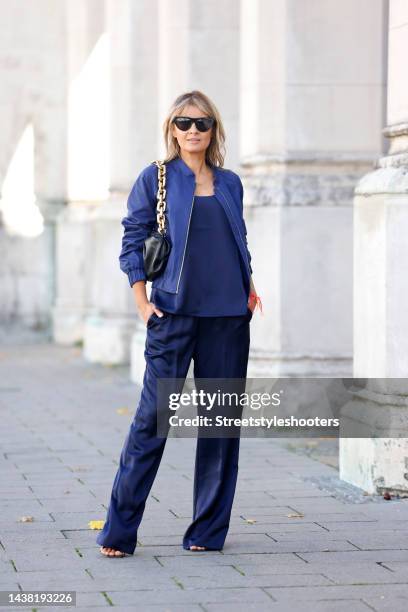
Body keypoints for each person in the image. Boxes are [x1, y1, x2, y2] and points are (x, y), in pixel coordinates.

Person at [97, 90, 261, 557]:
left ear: (214, 130)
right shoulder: (156, 178)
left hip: (228, 317)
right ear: (172, 129)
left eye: (202, 123)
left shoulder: (229, 182)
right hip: (172, 314)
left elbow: (237, 237)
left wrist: (249, 284)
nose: (193, 130)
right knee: (151, 421)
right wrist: (141, 302)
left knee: (220, 425)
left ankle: (207, 533)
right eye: (184, 123)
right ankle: (119, 531)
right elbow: (133, 240)